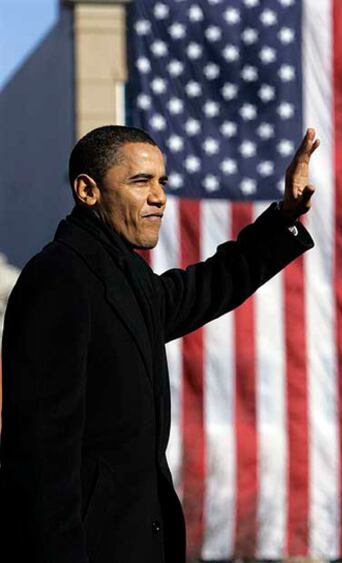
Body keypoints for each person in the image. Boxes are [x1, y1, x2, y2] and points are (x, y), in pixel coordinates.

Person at [0, 125, 319, 563]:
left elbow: (211, 284)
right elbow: (41, 456)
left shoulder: (129, 280)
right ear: (87, 191)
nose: (159, 197)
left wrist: (283, 216)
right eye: (140, 181)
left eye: (162, 182)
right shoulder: (59, 279)